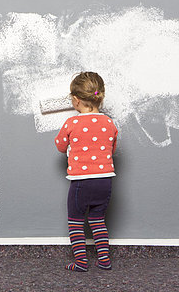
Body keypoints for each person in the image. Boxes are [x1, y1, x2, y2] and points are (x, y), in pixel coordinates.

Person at [55, 71, 118, 272]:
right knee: (98, 220)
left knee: (75, 222)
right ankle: (104, 260)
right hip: (105, 181)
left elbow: (60, 145)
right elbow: (112, 148)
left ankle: (81, 262)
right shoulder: (108, 122)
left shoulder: (72, 123)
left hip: (81, 182)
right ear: (100, 96)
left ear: (76, 100)